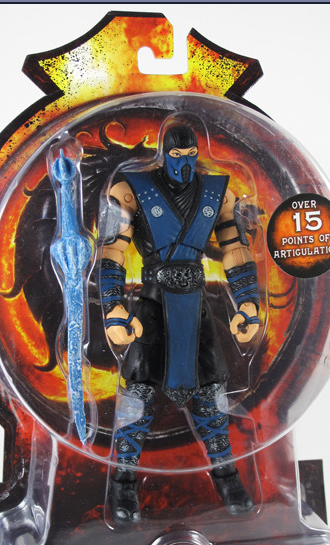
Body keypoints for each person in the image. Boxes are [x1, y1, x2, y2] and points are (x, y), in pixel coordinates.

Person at [99, 124, 260, 524]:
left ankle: (227, 477)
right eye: (176, 157)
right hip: (152, 304)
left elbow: (235, 249)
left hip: (198, 304)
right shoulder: (131, 189)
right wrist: (113, 307)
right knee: (137, 394)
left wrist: (248, 303)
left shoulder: (218, 192)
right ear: (164, 152)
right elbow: (113, 249)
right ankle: (123, 483)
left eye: (191, 157)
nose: (184, 165)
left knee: (211, 394)